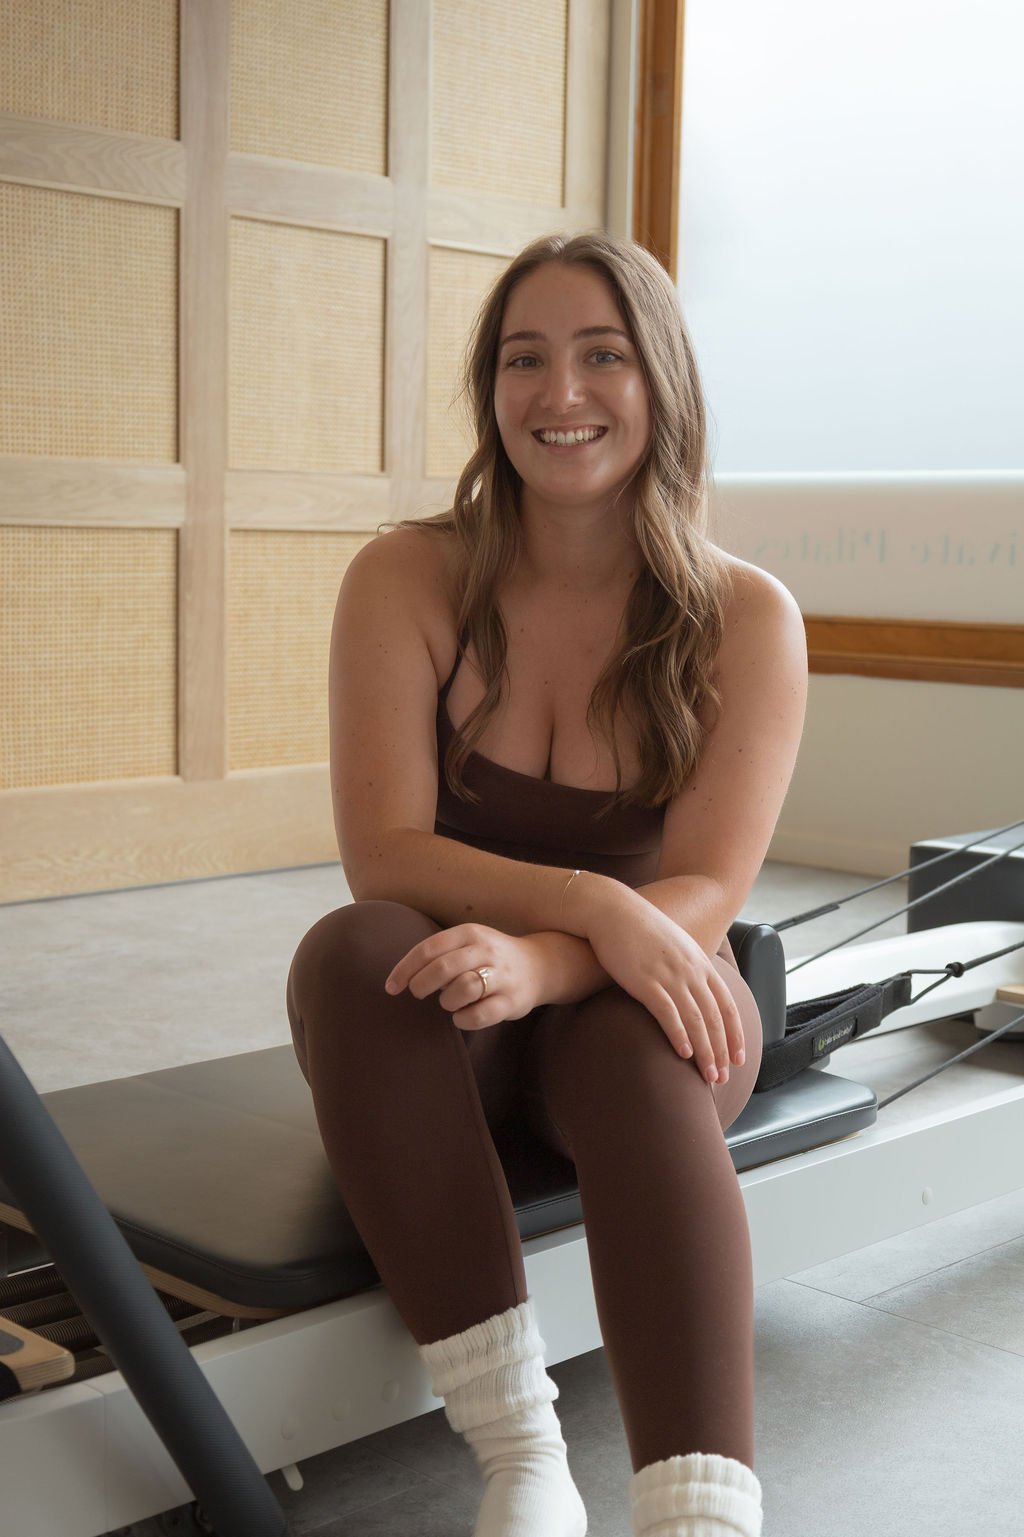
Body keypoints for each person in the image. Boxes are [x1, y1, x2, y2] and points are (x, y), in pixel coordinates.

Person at [287, 231, 807, 1537]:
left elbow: (704, 881)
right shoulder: (405, 578)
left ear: (660, 383)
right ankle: (522, 1454)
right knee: (353, 949)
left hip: (643, 1004)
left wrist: (565, 958)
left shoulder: (746, 617)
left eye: (601, 355)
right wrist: (587, 903)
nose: (559, 392)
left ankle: (701, 1514)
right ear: (490, 387)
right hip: (454, 1007)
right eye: (526, 358)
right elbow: (388, 853)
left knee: (638, 1045)